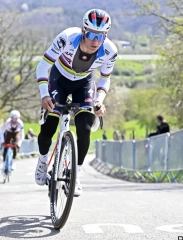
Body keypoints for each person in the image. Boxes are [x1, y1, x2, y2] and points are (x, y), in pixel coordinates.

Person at [35, 9, 118, 196]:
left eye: (101, 36)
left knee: (85, 126)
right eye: (91, 34)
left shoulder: (110, 51)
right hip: (59, 79)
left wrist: (99, 101)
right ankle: (42, 161)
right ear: (83, 31)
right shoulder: (66, 38)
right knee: (49, 125)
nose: (95, 41)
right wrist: (44, 95)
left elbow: (105, 79)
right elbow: (43, 66)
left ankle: (76, 174)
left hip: (84, 83)